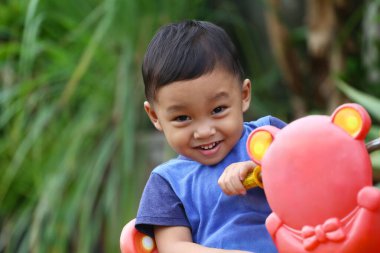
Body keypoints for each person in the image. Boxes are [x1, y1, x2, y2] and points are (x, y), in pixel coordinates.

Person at [135, 20, 286, 253]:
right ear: (155, 116)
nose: (204, 131)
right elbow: (174, 247)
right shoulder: (168, 183)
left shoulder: (266, 136)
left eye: (217, 110)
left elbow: (311, 170)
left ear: (243, 95)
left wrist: (261, 168)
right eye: (183, 118)